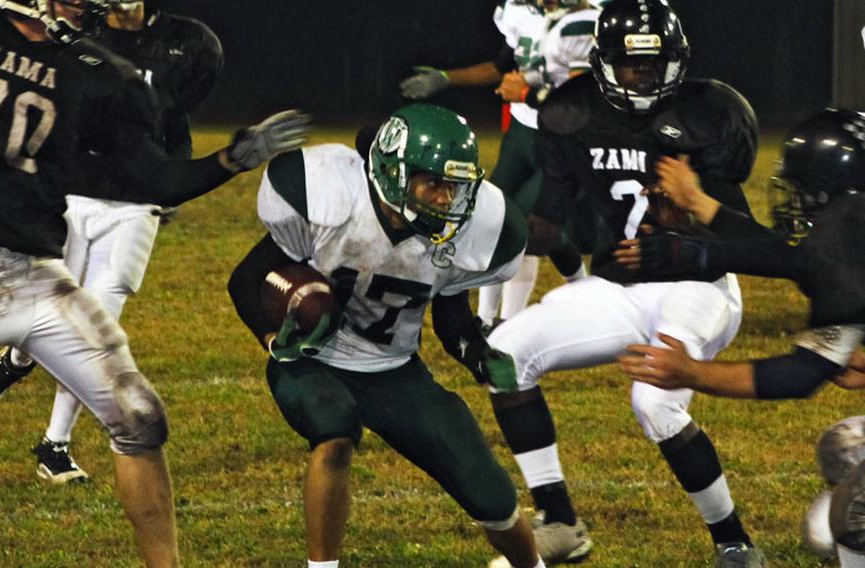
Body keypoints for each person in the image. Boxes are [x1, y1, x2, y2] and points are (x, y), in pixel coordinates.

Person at [0, 0, 308, 564]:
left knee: (140, 416)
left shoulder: (99, 74)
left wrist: (230, 160)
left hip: (31, 273)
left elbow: (152, 178)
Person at [484, 0, 765, 565]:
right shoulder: (571, 111)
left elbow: (741, 234)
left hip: (698, 285)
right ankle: (559, 520)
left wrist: (691, 223)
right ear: (604, 63)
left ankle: (733, 542)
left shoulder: (709, 112)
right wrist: (487, 226)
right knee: (503, 354)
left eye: (655, 65)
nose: (644, 77)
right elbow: (548, 224)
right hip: (618, 286)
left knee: (655, 403)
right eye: (632, 65)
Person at [228, 103, 547, 568]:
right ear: (395, 174)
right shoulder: (332, 195)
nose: (444, 200)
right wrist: (274, 336)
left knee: (492, 494)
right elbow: (247, 278)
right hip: (314, 356)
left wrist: (477, 354)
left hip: (395, 370)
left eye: (455, 187)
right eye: (433, 184)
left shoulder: (466, 230)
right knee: (334, 430)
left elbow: (452, 319)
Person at [0, 0, 224, 484]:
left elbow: (173, 117)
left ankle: (55, 443)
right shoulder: (67, 35)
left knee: (97, 323)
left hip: (134, 203)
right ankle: (18, 358)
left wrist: (173, 179)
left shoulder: (185, 41)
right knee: (40, 305)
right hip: (73, 191)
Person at [615, 108, 865, 567]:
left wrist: (692, 372)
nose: (799, 203)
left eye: (807, 194)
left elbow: (798, 377)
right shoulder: (852, 232)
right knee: (843, 450)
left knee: (850, 514)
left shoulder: (844, 248)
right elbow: (787, 257)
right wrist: (699, 206)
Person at [400, 0, 588, 334]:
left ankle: (508, 324)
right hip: (520, 133)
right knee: (495, 219)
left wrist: (528, 91)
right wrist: (447, 79)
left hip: (559, 135)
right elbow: (502, 67)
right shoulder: (520, 10)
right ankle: (487, 318)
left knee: (528, 231)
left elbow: (583, 96)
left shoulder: (587, 19)